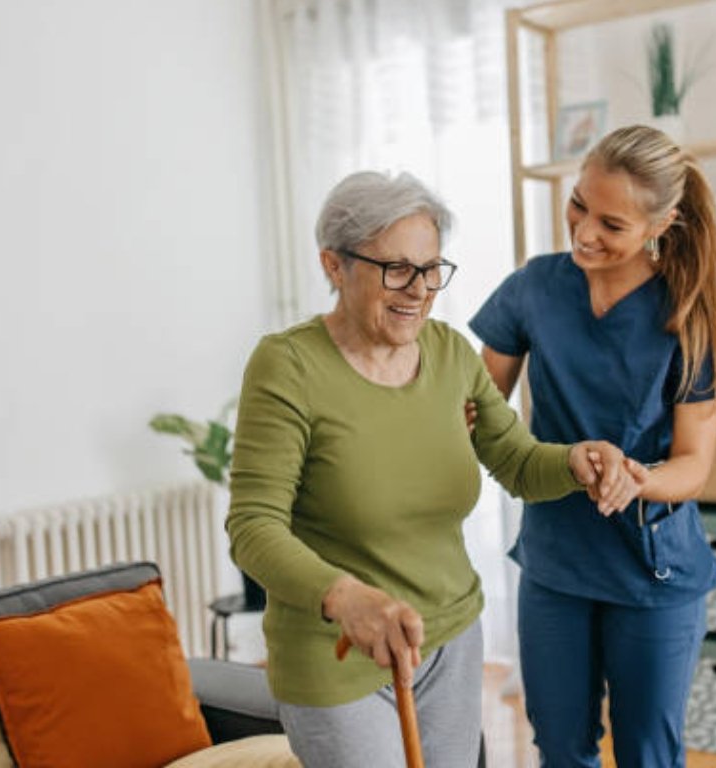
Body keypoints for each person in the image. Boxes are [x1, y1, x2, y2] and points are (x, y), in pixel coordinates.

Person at [226, 170, 636, 768]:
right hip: (337, 650)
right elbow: (253, 526)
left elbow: (518, 462)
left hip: (450, 637)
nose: (418, 289)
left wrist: (576, 460)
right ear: (334, 266)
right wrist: (344, 598)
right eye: (395, 268)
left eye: (430, 269)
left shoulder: (449, 354)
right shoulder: (287, 366)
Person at [469, 125, 716, 768]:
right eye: (578, 205)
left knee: (648, 754)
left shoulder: (689, 314)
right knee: (561, 748)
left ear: (661, 223)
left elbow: (693, 464)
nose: (585, 231)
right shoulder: (533, 288)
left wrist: (637, 479)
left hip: (653, 569)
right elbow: (476, 410)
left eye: (611, 223)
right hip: (555, 562)